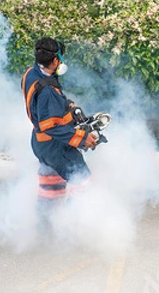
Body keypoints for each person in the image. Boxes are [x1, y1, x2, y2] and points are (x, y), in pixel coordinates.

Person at [21, 37, 98, 210]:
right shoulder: (48, 91)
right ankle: (70, 225)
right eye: (61, 57)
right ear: (55, 60)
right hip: (56, 147)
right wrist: (82, 138)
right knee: (83, 184)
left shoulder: (31, 74)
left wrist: (67, 105)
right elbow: (51, 125)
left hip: (40, 144)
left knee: (51, 188)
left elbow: (40, 104)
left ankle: (43, 226)